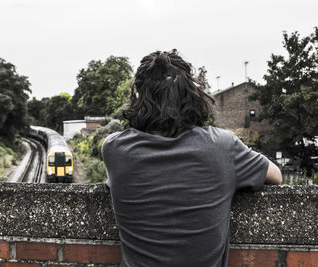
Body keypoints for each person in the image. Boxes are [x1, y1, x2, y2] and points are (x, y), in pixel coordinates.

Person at [101, 50, 282, 267]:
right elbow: (276, 175)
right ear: (191, 96)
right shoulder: (223, 146)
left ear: (138, 96)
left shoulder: (114, 149)